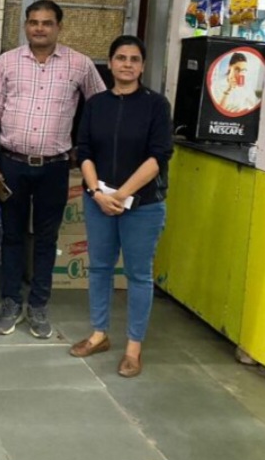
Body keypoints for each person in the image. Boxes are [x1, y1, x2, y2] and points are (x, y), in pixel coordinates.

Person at [0, 0, 106, 338]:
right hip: (11, 164)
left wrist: (85, 146)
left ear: (59, 27)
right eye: (33, 22)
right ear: (25, 25)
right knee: (12, 236)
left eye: (47, 23)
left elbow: (101, 107)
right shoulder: (7, 62)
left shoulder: (79, 64)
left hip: (55, 167)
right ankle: (11, 302)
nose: (39, 28)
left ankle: (38, 305)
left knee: (47, 239)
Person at [69, 36, 173, 379]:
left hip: (143, 204)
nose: (127, 64)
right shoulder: (96, 104)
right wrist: (97, 192)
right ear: (110, 63)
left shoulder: (156, 105)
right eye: (120, 58)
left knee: (138, 275)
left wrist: (122, 194)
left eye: (134, 59)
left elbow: (159, 156)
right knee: (99, 268)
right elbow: (84, 150)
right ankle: (99, 334)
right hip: (98, 201)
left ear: (142, 66)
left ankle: (133, 347)